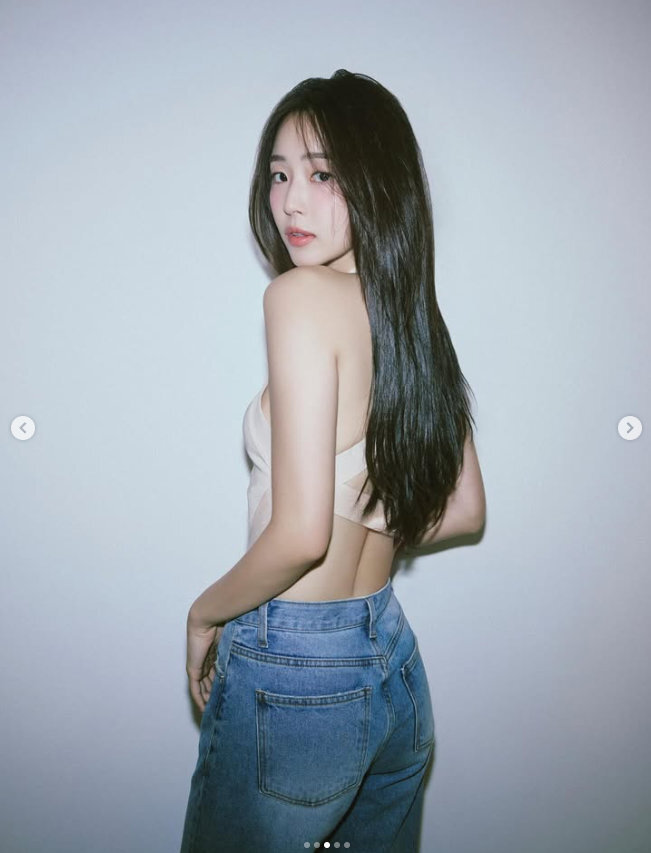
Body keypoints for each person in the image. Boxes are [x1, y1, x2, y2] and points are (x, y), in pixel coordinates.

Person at [180, 69, 486, 853]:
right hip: (391, 664)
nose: (290, 202)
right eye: (278, 174)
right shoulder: (410, 314)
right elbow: (462, 509)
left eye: (321, 174)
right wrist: (362, 500)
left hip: (294, 670)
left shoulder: (299, 297)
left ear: (377, 182)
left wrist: (203, 614)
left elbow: (300, 535)